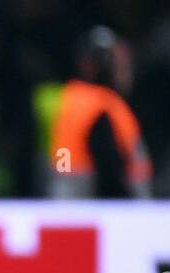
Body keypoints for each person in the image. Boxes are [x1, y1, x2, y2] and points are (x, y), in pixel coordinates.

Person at [47, 26, 152, 198]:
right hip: (97, 207)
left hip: (62, 197)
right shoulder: (104, 107)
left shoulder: (67, 98)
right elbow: (112, 170)